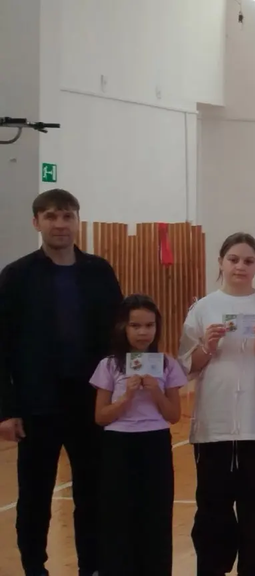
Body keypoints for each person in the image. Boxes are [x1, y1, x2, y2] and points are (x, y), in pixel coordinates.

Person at [0, 189, 122, 576]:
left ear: (77, 221)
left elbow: (118, 338)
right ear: (36, 222)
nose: (60, 224)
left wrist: (121, 396)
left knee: (94, 494)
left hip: (91, 403)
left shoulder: (99, 272)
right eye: (51, 216)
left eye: (67, 216)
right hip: (38, 404)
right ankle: (34, 568)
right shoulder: (17, 276)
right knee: (34, 497)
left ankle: (93, 568)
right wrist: (6, 409)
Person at [179, 232, 255, 576]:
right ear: (221, 262)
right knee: (211, 505)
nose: (240, 266)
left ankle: (252, 568)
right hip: (213, 424)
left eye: (248, 260)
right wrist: (207, 347)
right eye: (233, 259)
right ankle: (211, 568)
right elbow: (185, 365)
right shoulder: (203, 308)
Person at [91, 294, 185, 576]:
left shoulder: (167, 364)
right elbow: (100, 416)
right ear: (123, 327)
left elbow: (173, 415)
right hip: (118, 445)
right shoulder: (110, 365)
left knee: (156, 514)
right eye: (135, 326)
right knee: (118, 515)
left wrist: (155, 391)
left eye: (149, 325)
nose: (143, 332)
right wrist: (126, 397)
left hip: (155, 443)